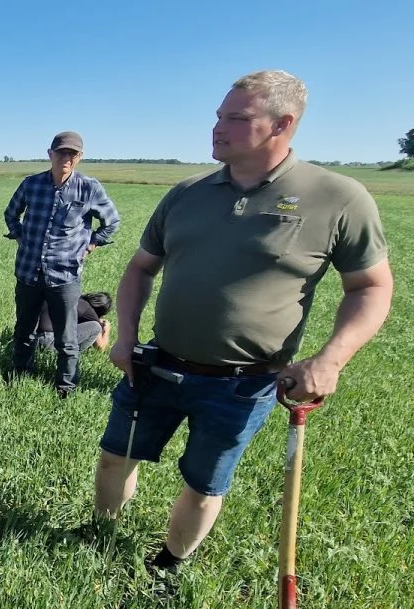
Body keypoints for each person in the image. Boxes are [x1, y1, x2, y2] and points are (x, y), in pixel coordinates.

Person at [94, 70, 392, 575]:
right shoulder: (187, 193)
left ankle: (167, 567)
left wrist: (330, 359)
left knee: (204, 485)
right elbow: (141, 267)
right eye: (218, 116)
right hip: (156, 366)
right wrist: (125, 337)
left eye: (236, 117)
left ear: (282, 123)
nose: (217, 127)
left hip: (242, 384)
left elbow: (372, 287)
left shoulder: (337, 198)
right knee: (115, 459)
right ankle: (100, 537)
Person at [4, 131, 121, 399]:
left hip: (65, 276)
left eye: (72, 154)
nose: (66, 158)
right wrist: (20, 236)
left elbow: (112, 221)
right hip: (28, 272)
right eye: (61, 152)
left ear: (79, 158)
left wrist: (91, 244)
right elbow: (11, 213)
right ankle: (20, 374)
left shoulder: (89, 188)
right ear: (50, 154)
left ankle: (65, 387)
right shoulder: (31, 184)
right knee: (24, 329)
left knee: (67, 338)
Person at [34, 292, 112, 354]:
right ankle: (70, 356)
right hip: (48, 342)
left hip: (31, 339)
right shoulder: (89, 311)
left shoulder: (75, 297)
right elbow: (100, 347)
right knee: (96, 327)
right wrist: (106, 330)